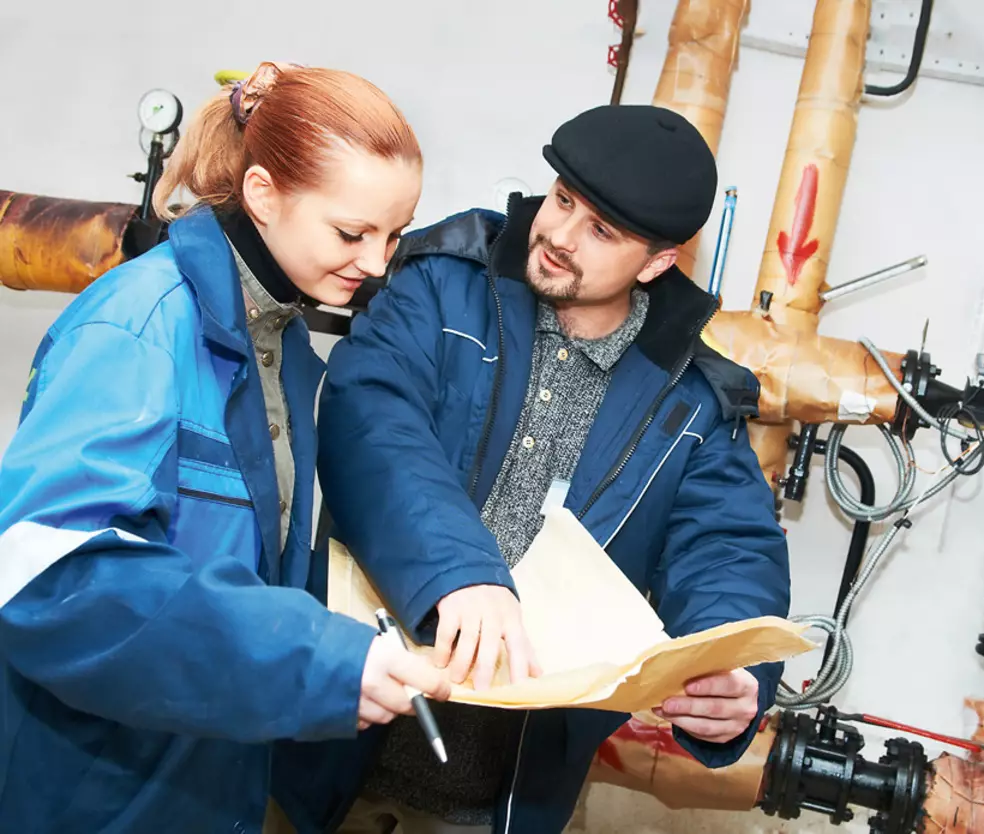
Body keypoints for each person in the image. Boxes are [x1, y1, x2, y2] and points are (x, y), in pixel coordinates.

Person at [283, 104, 790, 834]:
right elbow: (373, 420)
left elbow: (729, 549)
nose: (557, 235)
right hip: (320, 757)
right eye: (562, 200)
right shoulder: (442, 285)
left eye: (600, 231)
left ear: (655, 263)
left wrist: (737, 673)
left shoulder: (694, 405)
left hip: (492, 808)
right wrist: (460, 572)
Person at [0, 61, 450, 833]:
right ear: (264, 194)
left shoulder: (280, 344)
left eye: (394, 236)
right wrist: (317, 660)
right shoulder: (139, 326)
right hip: (96, 788)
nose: (377, 264)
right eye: (352, 233)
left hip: (207, 771)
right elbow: (49, 582)